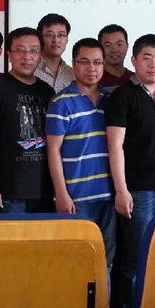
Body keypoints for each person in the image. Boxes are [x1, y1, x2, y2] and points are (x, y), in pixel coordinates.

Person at [105, 34, 155, 308]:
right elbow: (115, 146)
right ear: (134, 60)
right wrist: (121, 190)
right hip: (138, 191)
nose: (154, 64)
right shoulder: (122, 96)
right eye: (147, 58)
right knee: (135, 256)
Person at [46, 38, 115, 279]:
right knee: (75, 263)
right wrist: (61, 194)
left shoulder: (111, 101)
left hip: (108, 196)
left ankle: (102, 304)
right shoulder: (61, 102)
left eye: (97, 62)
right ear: (73, 64)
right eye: (84, 62)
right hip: (76, 199)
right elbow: (53, 151)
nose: (91, 68)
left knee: (106, 262)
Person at [0, 27, 55, 214]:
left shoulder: (47, 91)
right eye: (20, 50)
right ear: (9, 54)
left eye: (33, 51)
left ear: (40, 55)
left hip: (44, 191)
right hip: (7, 193)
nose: (27, 57)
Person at [34, 13, 75, 92]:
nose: (56, 40)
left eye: (61, 35)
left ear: (67, 39)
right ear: (40, 38)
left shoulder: (73, 75)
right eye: (50, 35)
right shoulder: (30, 70)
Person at [98, 24, 133, 90]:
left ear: (127, 46)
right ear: (99, 48)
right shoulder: (94, 80)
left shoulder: (135, 80)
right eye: (108, 45)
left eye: (119, 44)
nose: (114, 50)